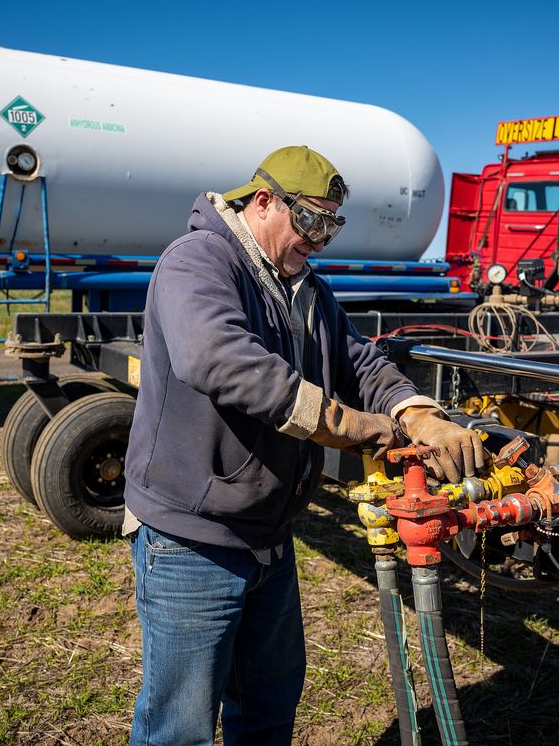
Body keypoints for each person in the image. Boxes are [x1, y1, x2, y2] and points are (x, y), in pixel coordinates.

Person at [122, 145, 485, 745]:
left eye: (331, 226)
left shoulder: (304, 285)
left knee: (268, 703)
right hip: (193, 538)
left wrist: (418, 414)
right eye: (310, 220)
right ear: (263, 201)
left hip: (268, 535)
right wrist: (344, 423)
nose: (319, 240)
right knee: (179, 727)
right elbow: (215, 358)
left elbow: (358, 361)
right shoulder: (198, 261)